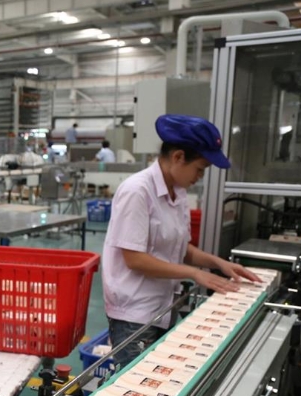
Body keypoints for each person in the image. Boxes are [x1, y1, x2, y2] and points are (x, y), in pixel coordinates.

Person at [102, 114, 260, 367]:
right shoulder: (137, 191)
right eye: (200, 169)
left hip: (164, 305)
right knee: (139, 381)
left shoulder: (179, 192)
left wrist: (219, 263)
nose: (200, 176)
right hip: (135, 314)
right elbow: (135, 259)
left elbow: (181, 248)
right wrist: (195, 274)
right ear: (178, 157)